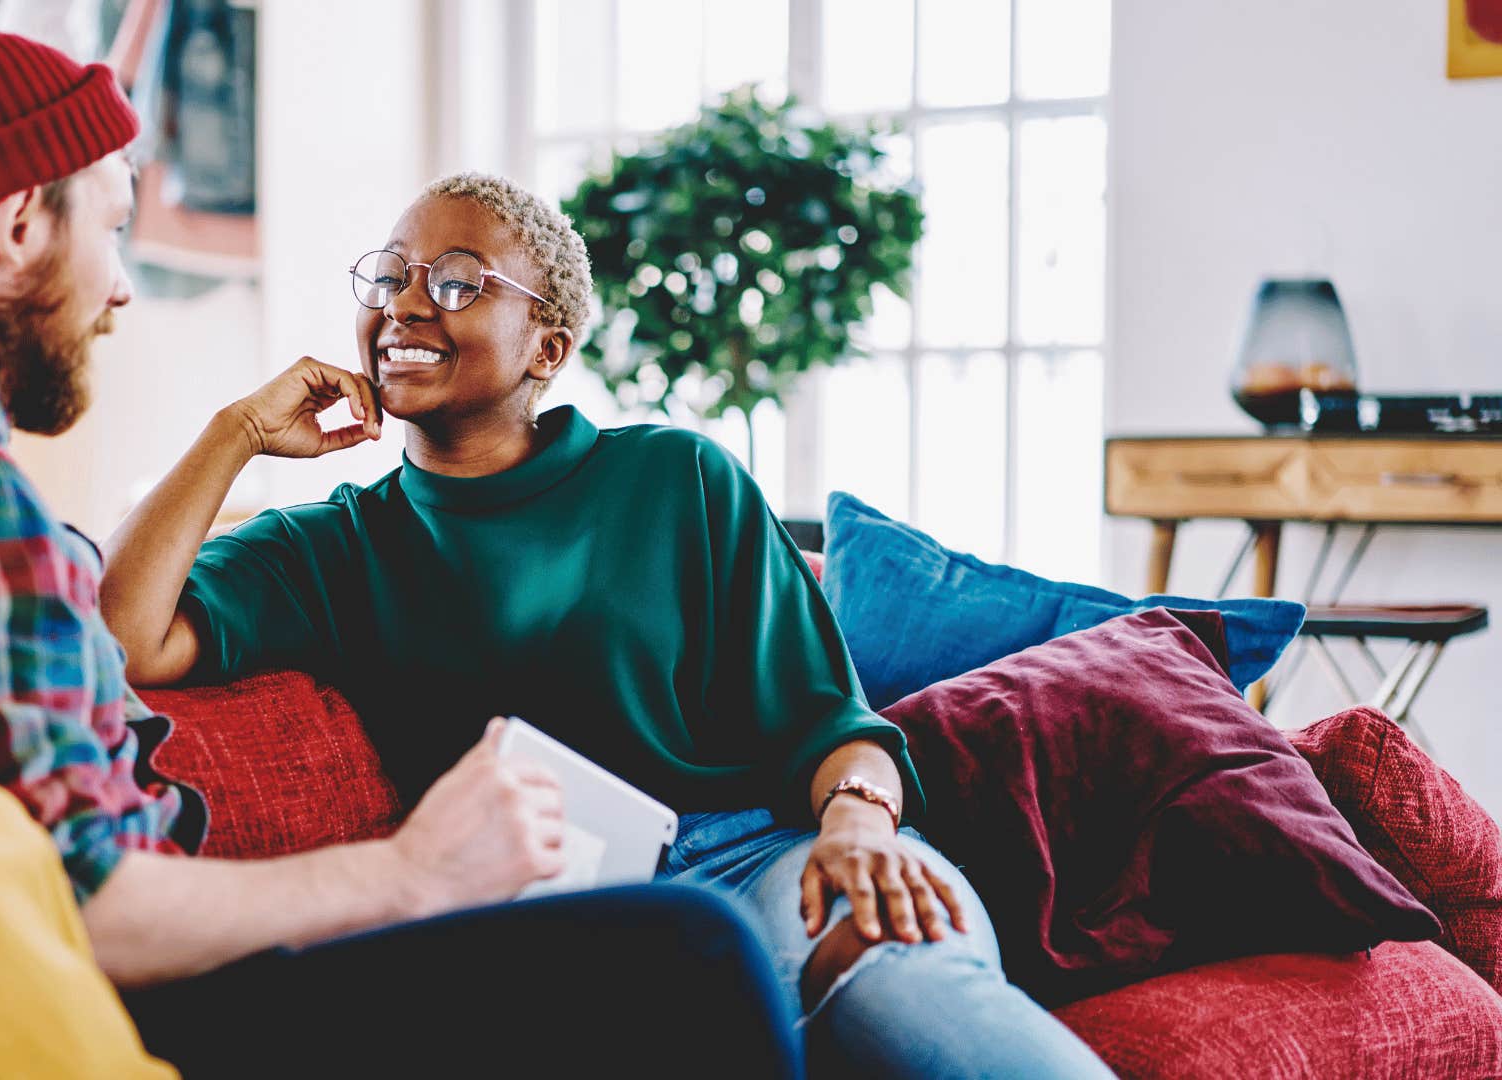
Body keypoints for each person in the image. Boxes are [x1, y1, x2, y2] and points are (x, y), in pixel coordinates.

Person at [0, 24, 803, 1078]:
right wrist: (410, 870)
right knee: (693, 953)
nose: (123, 284)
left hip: (67, 969)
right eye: (111, 227)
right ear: (14, 224)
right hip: (140, 1001)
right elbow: (84, 905)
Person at [101, 170, 1119, 1078]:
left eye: (455, 282)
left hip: (766, 855)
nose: (406, 304)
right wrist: (233, 434)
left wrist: (858, 821)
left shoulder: (678, 480)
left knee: (887, 969)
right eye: (390, 278)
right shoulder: (333, 548)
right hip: (563, 912)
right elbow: (125, 640)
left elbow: (832, 719)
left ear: (549, 343)